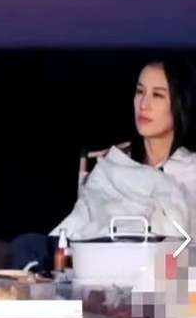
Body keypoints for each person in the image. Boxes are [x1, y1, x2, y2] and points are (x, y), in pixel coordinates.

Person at [10, 55, 196, 271]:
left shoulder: (189, 170)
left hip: (154, 265)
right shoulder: (115, 164)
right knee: (26, 244)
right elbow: (82, 218)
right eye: (139, 92)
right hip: (99, 253)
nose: (143, 104)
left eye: (157, 95)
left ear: (180, 103)